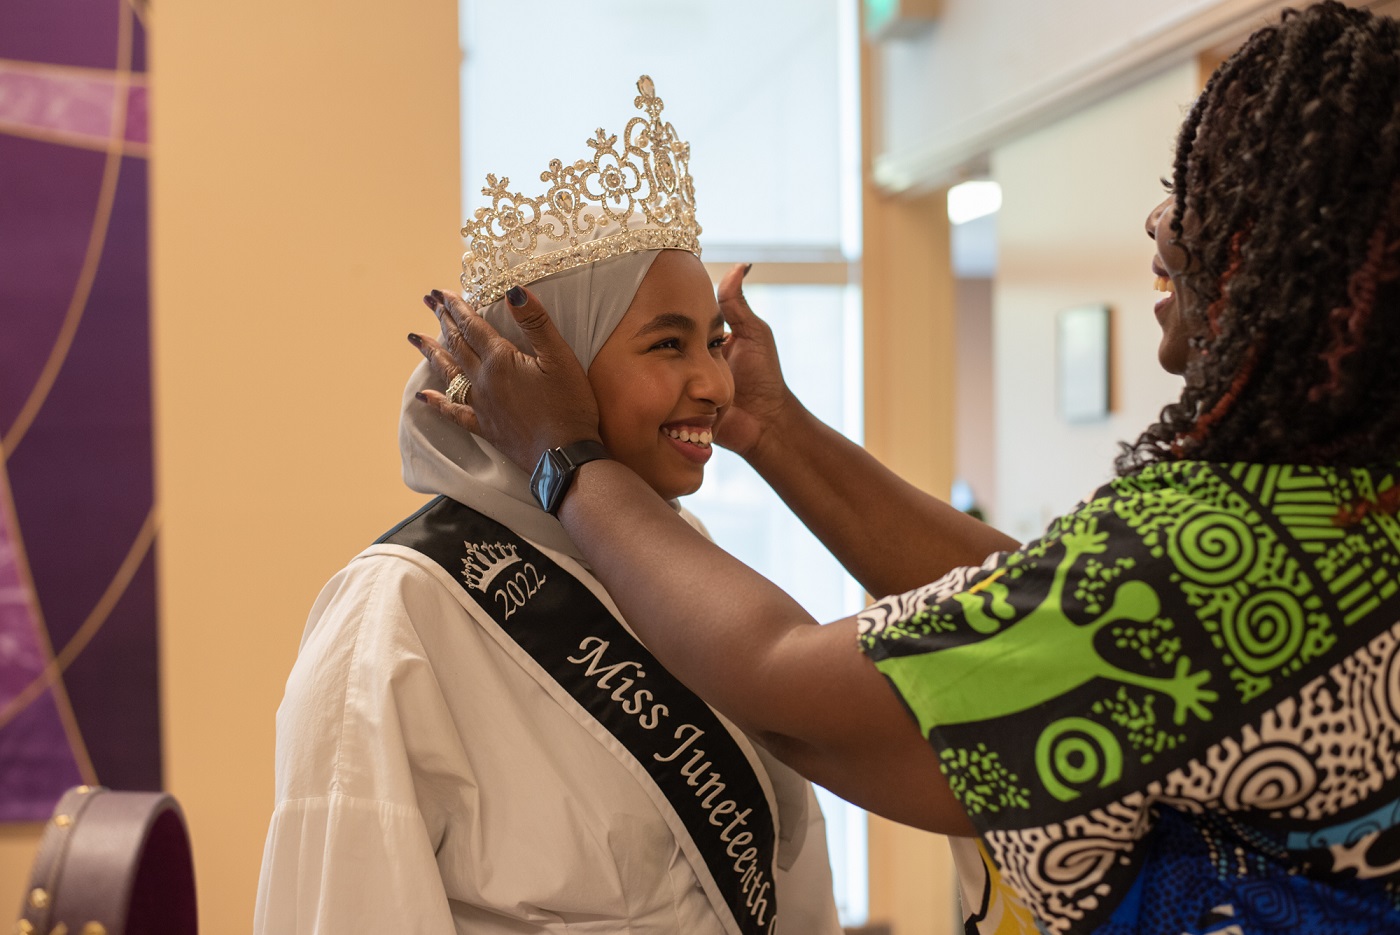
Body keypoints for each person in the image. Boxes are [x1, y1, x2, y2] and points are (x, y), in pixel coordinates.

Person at [415, 4, 1400, 933]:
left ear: (1278, 244)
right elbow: (1030, 597)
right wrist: (771, 426)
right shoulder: (1342, 510)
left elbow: (785, 688)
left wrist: (566, 459)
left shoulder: (1212, 559)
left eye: (1196, 188)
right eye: (667, 344)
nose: (1155, 221)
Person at [255, 77, 842, 935]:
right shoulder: (397, 610)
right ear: (538, 367)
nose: (716, 383)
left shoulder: (686, 562)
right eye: (668, 343)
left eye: (713, 342)